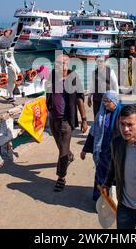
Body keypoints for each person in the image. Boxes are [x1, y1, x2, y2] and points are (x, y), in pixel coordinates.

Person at [46, 54, 88, 192]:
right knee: (61, 147)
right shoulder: (52, 76)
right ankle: (69, 156)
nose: (59, 66)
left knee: (63, 150)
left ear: (68, 64)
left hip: (66, 120)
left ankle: (61, 177)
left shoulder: (73, 78)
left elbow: (80, 99)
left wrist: (84, 119)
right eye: (57, 63)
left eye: (62, 63)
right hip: (53, 118)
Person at [81, 91, 121, 201]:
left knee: (117, 177)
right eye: (104, 101)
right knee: (101, 176)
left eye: (108, 101)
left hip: (117, 152)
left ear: (115, 102)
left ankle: (115, 201)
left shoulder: (122, 114)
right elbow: (93, 132)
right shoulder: (101, 114)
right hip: (103, 153)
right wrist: (85, 149)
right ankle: (100, 199)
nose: (105, 104)